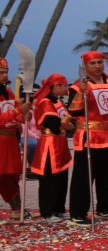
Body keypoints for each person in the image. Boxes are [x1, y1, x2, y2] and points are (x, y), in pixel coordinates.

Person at [67, 51, 108, 225]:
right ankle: (78, 212)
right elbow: (73, 111)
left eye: (100, 62)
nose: (98, 66)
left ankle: (104, 208)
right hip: (89, 135)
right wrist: (80, 94)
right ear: (85, 66)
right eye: (93, 63)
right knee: (83, 176)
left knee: (106, 174)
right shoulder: (78, 86)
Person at [31, 74, 73, 222]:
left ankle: (58, 209)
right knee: (50, 179)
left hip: (60, 142)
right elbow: (55, 125)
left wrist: (67, 123)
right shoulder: (45, 103)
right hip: (50, 143)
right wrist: (68, 120)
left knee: (61, 178)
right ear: (55, 86)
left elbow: (67, 125)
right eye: (64, 86)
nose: (66, 88)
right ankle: (47, 212)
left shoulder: (58, 102)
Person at [0, 59, 31, 216]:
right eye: (1, 73)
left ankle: (16, 209)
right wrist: (16, 112)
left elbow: (14, 119)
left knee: (12, 174)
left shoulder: (10, 93)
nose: (5, 75)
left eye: (6, 72)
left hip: (11, 140)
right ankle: (16, 208)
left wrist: (24, 115)